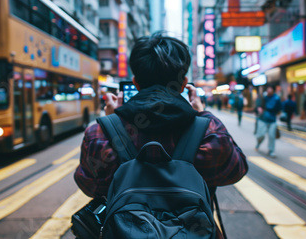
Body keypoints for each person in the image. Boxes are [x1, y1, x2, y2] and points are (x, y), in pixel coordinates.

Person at [74, 33, 248, 237]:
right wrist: (202, 114)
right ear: (183, 84)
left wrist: (114, 124)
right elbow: (235, 170)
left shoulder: (100, 134)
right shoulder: (208, 132)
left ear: (136, 83)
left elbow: (89, 185)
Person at [255, 85, 282, 157]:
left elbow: (279, 109)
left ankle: (271, 150)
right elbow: (258, 105)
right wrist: (259, 109)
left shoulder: (276, 98)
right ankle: (258, 143)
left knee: (271, 135)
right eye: (268, 89)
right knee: (260, 135)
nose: (269, 91)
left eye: (270, 89)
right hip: (262, 119)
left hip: (272, 120)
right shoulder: (263, 97)